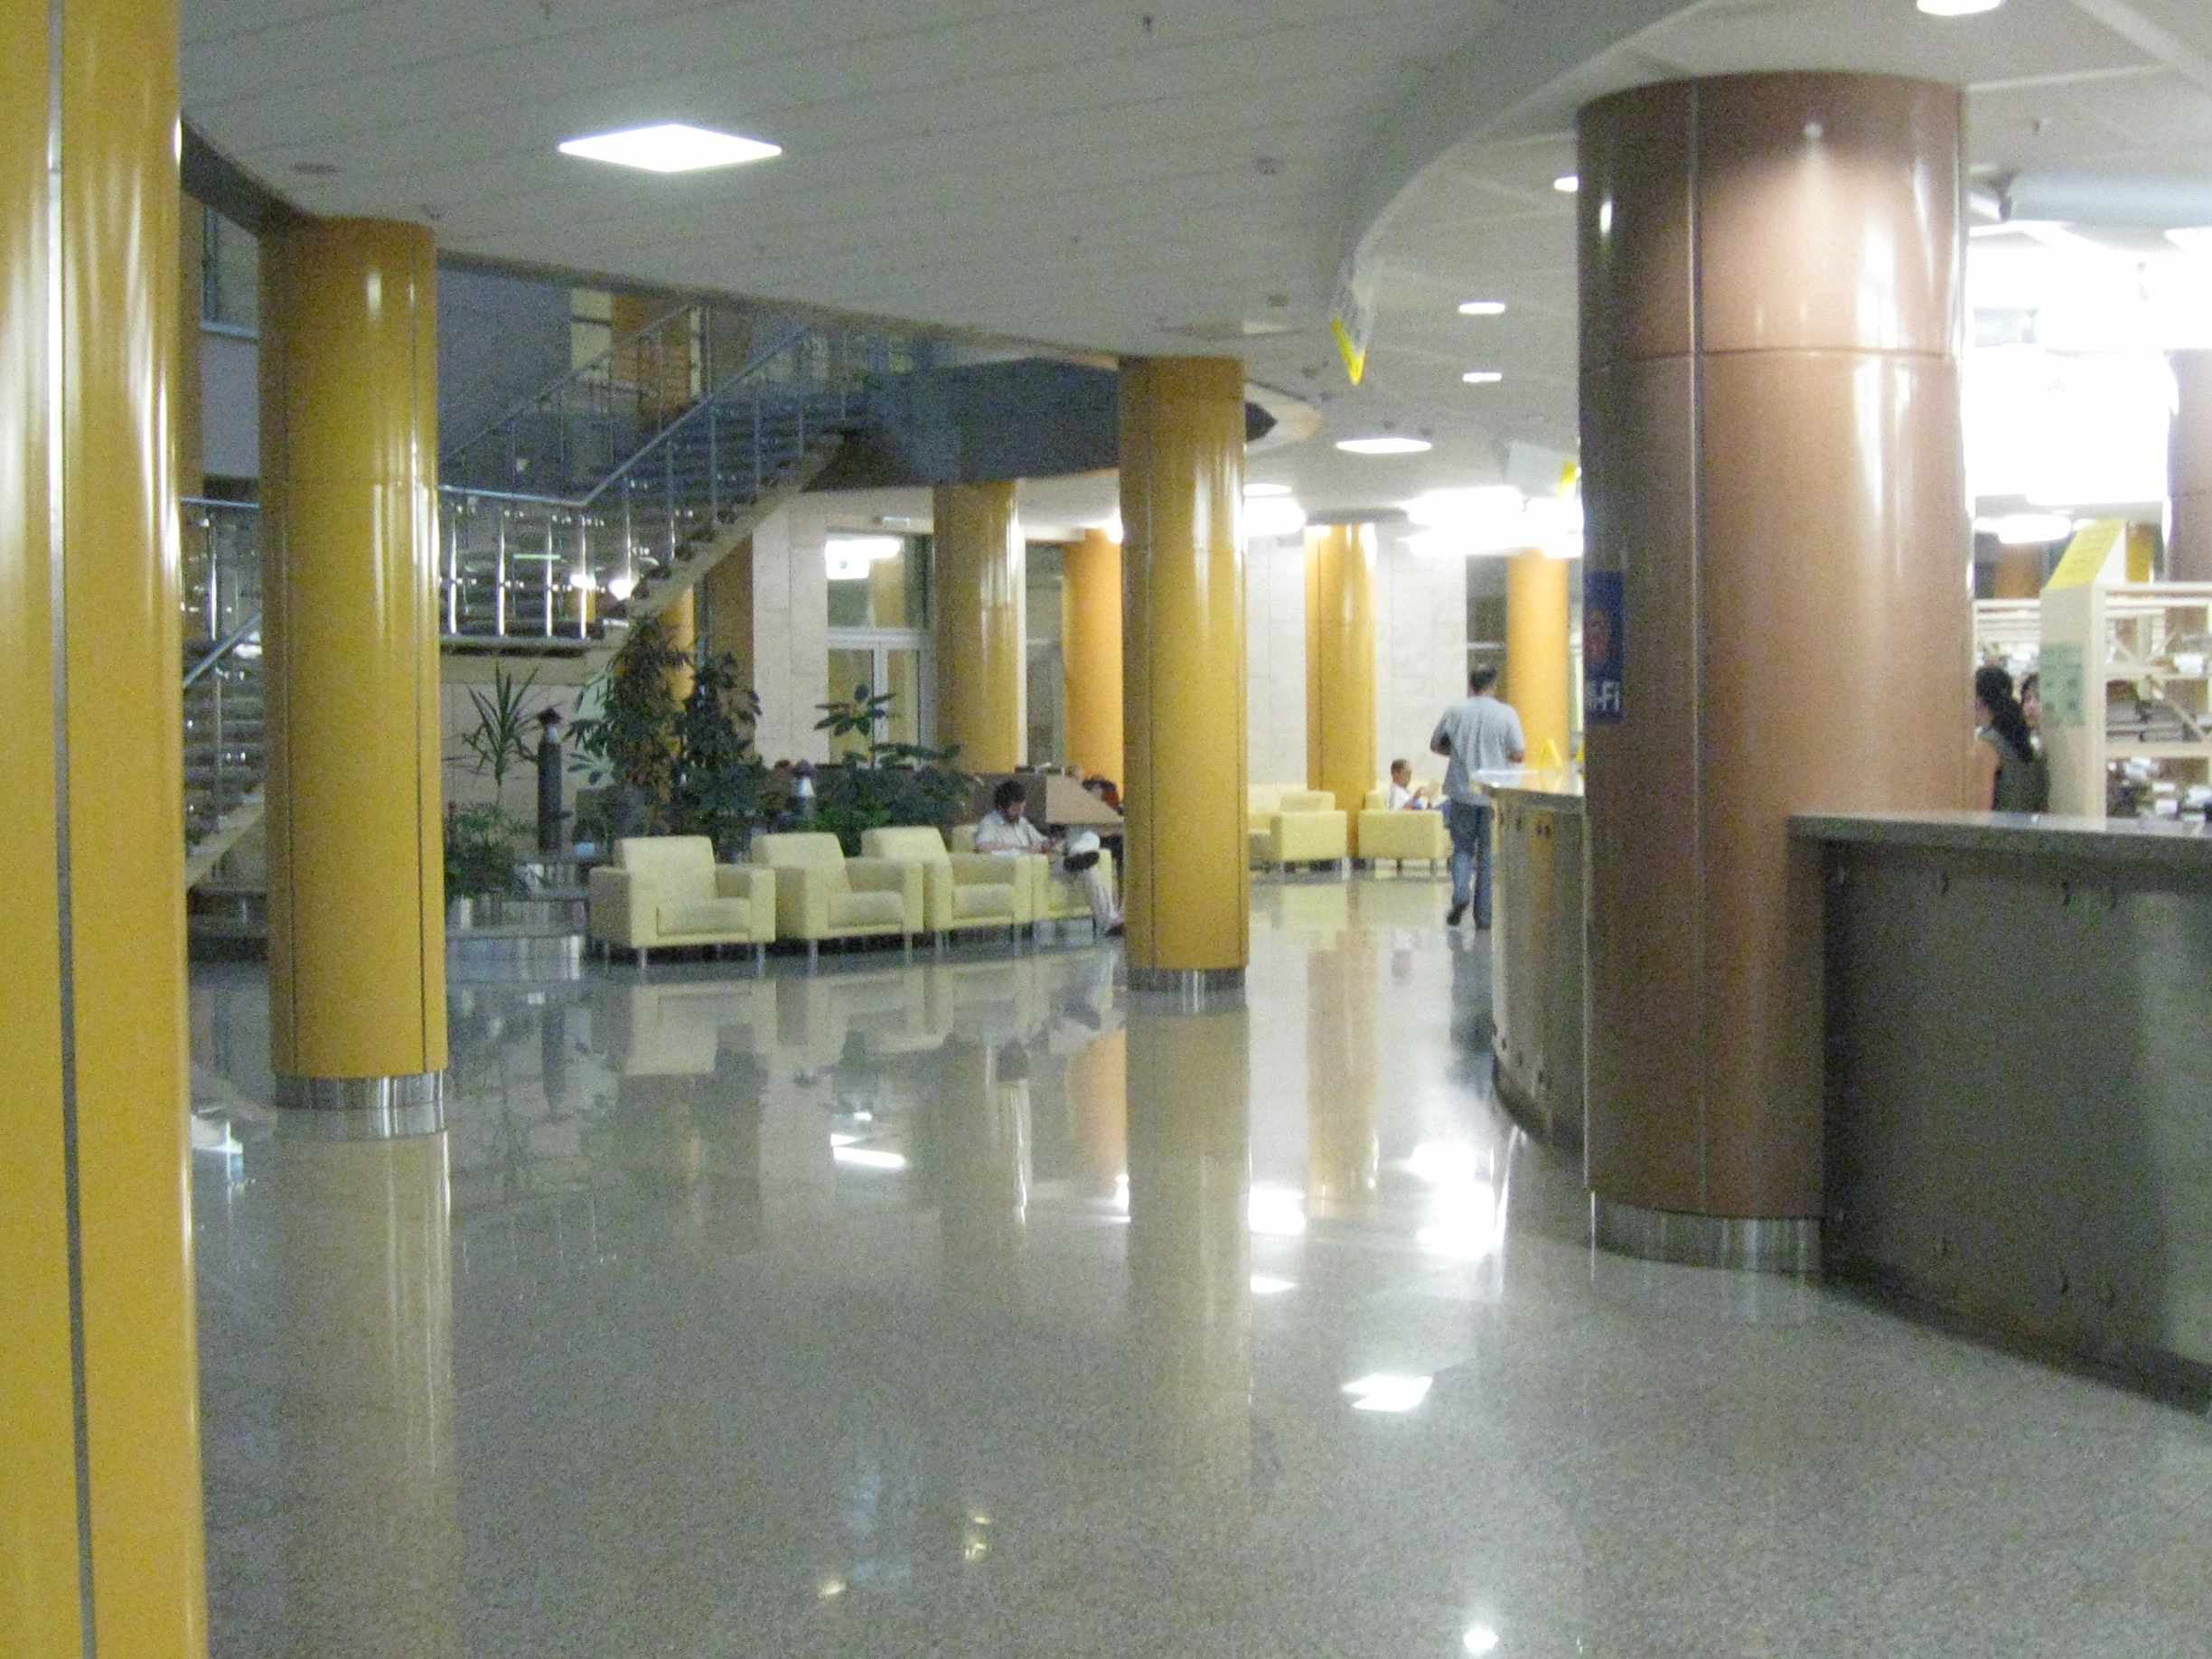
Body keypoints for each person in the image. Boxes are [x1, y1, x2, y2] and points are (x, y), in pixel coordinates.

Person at [1429, 666, 1526, 929]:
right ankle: (1483, 918)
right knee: (1486, 854)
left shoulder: (1454, 711)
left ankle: (1461, 894)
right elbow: (1518, 753)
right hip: (1493, 794)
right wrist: (1498, 755)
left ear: (1471, 685)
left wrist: (1459, 752)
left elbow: (1436, 745)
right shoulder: (1507, 714)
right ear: (1494, 684)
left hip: (1462, 791)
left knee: (1461, 848)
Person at [973, 778, 1123, 935]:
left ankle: (1109, 922)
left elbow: (1040, 841)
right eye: (1015, 809)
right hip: (1026, 871)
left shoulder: (1022, 823)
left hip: (1047, 866)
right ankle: (1077, 855)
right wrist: (1024, 849)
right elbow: (982, 847)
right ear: (1001, 807)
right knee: (1081, 859)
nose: (1020, 813)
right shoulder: (989, 823)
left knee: (1089, 859)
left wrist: (1048, 844)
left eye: (1022, 808)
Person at [1974, 663, 2048, 813]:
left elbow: (1981, 811)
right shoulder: (2020, 741)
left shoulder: (1987, 745)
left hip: (1999, 827)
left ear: (1978, 701)